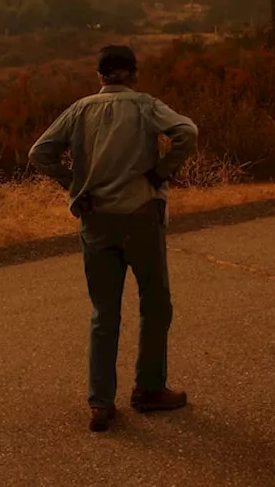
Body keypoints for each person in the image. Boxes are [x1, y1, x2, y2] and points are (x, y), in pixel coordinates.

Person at [29, 45, 199, 433]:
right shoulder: (145, 105)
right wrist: (162, 171)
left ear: (100, 75)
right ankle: (149, 389)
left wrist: (73, 184)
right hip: (141, 218)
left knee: (104, 313)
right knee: (155, 304)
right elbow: (186, 132)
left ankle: (100, 404)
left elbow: (39, 152)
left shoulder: (81, 109)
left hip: (96, 220)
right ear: (133, 73)